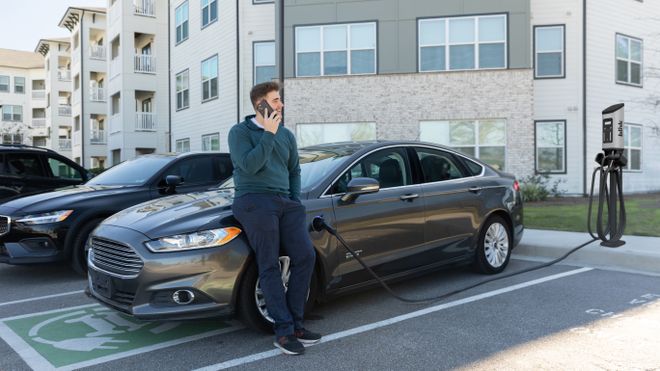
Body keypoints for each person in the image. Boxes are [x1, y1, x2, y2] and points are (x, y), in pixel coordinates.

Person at [228, 81, 321, 355]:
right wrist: (268, 135)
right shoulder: (239, 133)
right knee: (268, 263)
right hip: (254, 200)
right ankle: (283, 332)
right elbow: (249, 165)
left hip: (285, 203)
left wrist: (294, 201)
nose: (281, 105)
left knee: (305, 257)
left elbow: (294, 170)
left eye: (280, 100)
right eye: (276, 100)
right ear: (261, 105)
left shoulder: (287, 135)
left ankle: (297, 325)